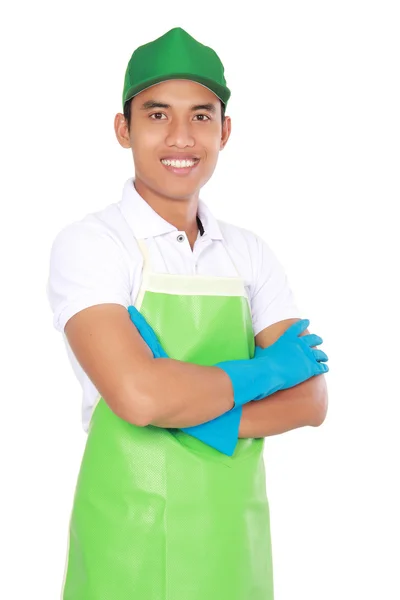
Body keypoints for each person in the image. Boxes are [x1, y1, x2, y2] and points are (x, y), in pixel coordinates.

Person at [46, 26, 329, 600]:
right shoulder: (95, 244)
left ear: (225, 130)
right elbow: (139, 397)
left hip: (235, 544)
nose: (181, 137)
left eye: (201, 116)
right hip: (128, 540)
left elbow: (312, 401)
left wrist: (187, 403)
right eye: (157, 115)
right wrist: (268, 373)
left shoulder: (249, 252)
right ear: (123, 128)